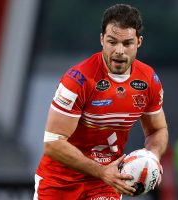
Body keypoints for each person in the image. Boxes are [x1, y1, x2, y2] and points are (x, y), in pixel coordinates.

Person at [34, 4, 168, 200]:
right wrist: (102, 171)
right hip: (60, 182)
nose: (119, 51)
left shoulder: (148, 80)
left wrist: (152, 158)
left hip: (104, 184)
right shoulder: (78, 80)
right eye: (112, 42)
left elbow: (157, 130)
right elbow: (53, 143)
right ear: (102, 40)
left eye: (127, 43)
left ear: (139, 42)